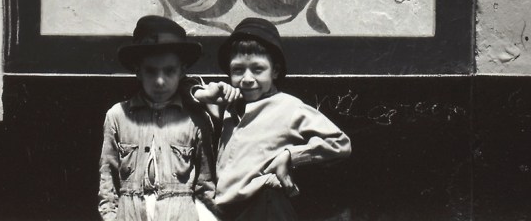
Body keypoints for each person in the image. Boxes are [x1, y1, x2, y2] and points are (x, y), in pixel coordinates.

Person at [193, 17, 351, 221]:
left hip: (266, 207)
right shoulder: (228, 109)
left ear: (275, 71)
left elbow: (340, 143)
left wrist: (291, 155)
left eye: (258, 69)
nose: (248, 79)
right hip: (228, 212)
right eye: (238, 70)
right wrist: (206, 95)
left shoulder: (288, 106)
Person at [99, 16, 217, 221]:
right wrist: (111, 217)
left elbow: (205, 184)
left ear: (182, 71)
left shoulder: (195, 118)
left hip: (180, 213)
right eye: (151, 71)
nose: (160, 81)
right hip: (130, 212)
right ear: (138, 72)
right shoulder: (118, 116)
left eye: (169, 71)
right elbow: (107, 178)